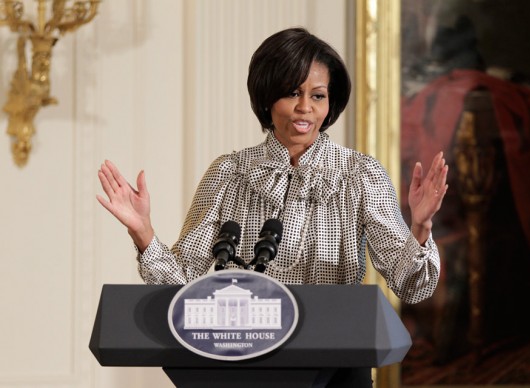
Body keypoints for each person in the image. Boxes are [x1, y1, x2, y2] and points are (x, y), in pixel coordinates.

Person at [97, 27, 448, 387]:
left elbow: (411, 286)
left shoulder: (360, 174)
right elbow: (181, 285)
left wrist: (419, 227)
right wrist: (143, 231)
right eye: (292, 93)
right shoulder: (228, 173)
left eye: (318, 95)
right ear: (267, 97)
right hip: (242, 363)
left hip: (338, 366)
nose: (305, 108)